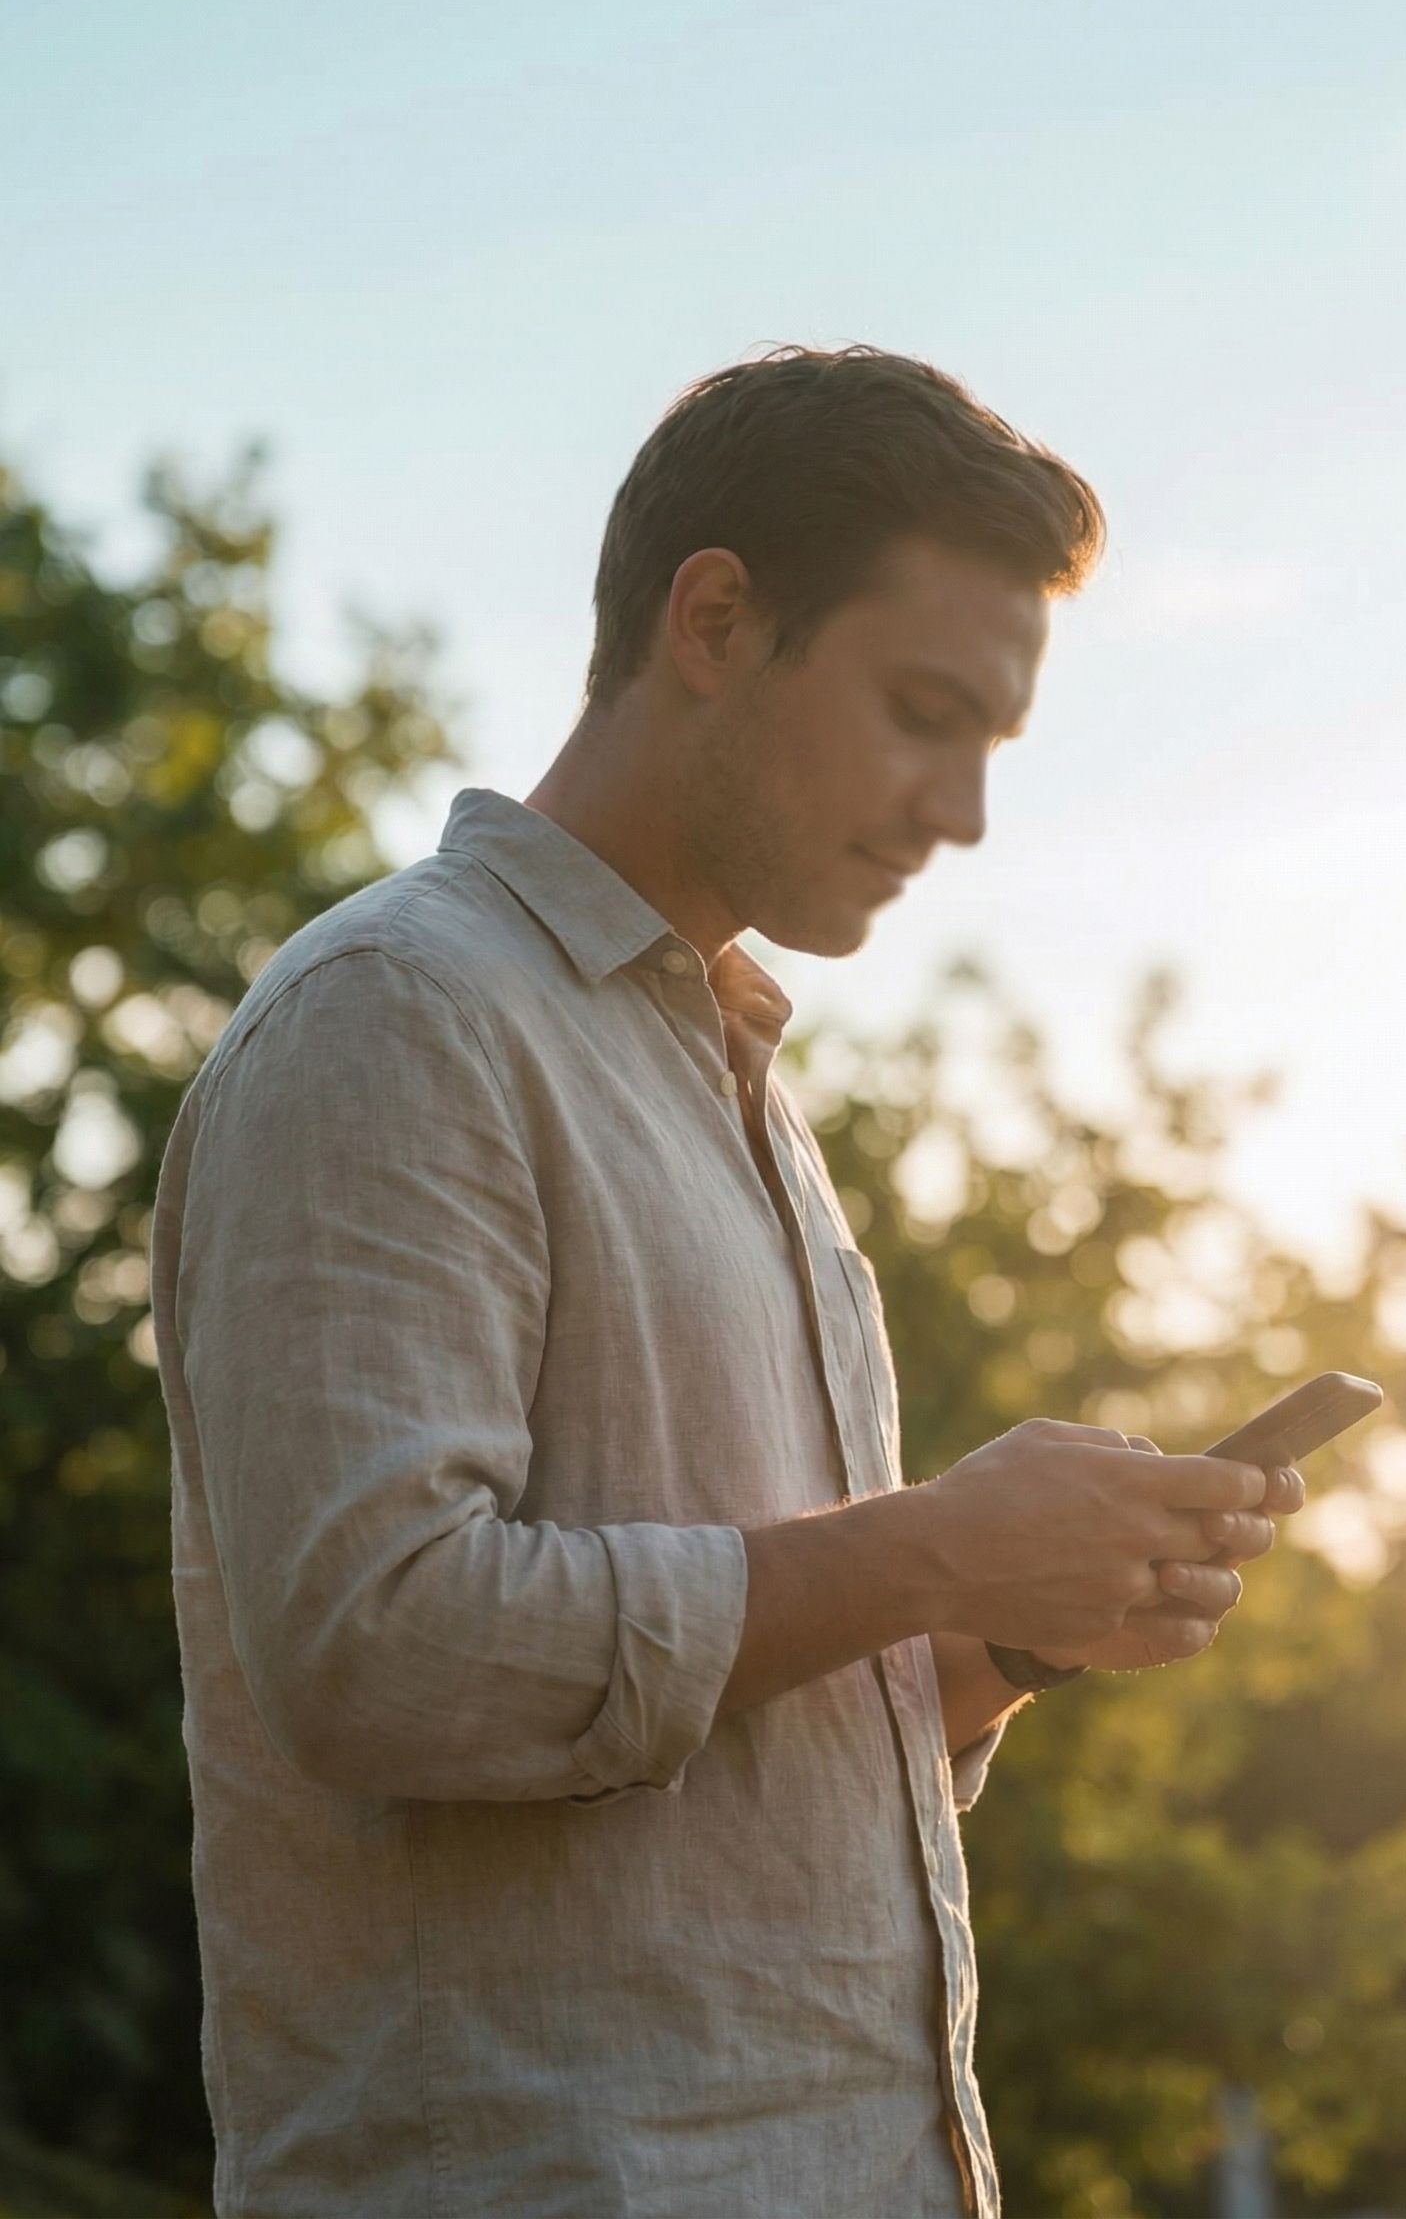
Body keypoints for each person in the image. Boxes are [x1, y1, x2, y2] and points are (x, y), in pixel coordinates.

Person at [151, 344, 1302, 2219]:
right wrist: (934, 1544)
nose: (963, 812)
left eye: (992, 745)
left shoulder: (740, 1091)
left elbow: (712, 1733)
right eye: (924, 712)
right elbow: (378, 1651)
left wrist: (998, 1636)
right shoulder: (400, 1021)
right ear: (715, 619)